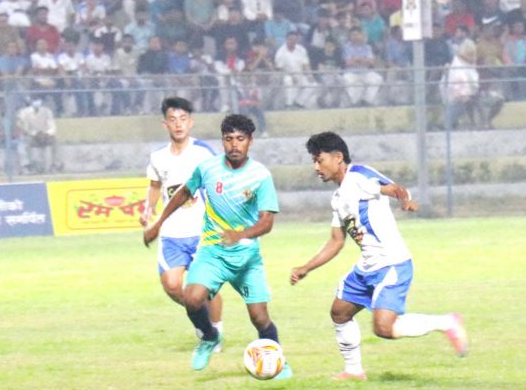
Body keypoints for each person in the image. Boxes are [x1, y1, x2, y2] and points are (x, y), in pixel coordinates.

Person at [290, 132, 468, 381]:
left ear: (338, 157)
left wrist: (405, 201)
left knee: (384, 328)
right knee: (340, 312)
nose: (316, 167)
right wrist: (306, 268)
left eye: (319, 160)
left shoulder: (359, 176)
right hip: (366, 267)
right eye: (314, 162)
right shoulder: (338, 198)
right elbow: (336, 241)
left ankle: (447, 322)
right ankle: (354, 371)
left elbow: (394, 189)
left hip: (391, 264)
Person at [143, 114, 291, 378]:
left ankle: (278, 361)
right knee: (192, 297)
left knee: (259, 318)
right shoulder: (208, 168)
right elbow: (184, 192)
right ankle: (209, 336)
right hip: (212, 253)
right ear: (222, 141)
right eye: (229, 139)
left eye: (240, 139)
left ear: (250, 141)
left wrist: (240, 234)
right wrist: (158, 223)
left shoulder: (260, 175)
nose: (234, 144)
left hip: (246, 259)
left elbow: (267, 222)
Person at [140, 97, 224, 352]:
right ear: (165, 124)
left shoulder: (203, 153)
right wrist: (148, 211)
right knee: (172, 285)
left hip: (202, 233)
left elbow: (218, 183)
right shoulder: (158, 157)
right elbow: (155, 186)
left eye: (183, 119)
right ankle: (204, 322)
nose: (178, 124)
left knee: (207, 288)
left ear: (191, 122)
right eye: (173, 120)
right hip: (171, 234)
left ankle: (215, 332)